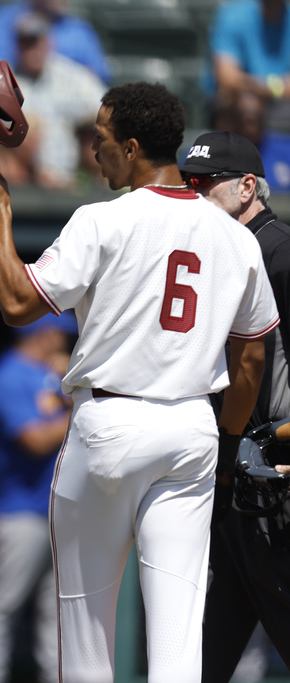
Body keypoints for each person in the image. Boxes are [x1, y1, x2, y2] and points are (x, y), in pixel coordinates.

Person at [0, 81, 279, 681]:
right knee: (179, 638)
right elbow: (251, 359)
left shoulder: (101, 220)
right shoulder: (235, 235)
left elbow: (15, 302)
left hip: (110, 422)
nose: (95, 151)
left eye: (103, 140)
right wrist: (227, 440)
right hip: (192, 425)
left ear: (133, 147)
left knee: (86, 632)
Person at [180, 130, 290, 681]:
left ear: (248, 186)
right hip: (226, 470)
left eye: (205, 184)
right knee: (202, 646)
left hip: (272, 475)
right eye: (187, 184)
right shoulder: (216, 251)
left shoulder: (280, 250)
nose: (195, 193)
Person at [0, 312, 76, 683]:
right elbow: (34, 441)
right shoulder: (9, 374)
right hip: (19, 513)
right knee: (5, 607)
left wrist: (70, 385)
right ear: (45, 334)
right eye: (61, 335)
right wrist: (81, 410)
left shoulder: (55, 375)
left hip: (59, 513)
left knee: (57, 613)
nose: (64, 342)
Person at [5, 11, 106, 191]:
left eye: (36, 41)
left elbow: (107, 109)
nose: (31, 49)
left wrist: (86, 123)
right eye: (25, 42)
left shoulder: (70, 76)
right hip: (22, 181)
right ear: (16, 45)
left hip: (69, 179)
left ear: (48, 42)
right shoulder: (2, 80)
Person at [0, 0, 110, 84]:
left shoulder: (80, 29)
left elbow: (99, 75)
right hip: (20, 98)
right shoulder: (0, 21)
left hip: (69, 104)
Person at [204, 0, 290, 131]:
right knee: (246, 107)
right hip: (238, 100)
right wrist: (275, 87)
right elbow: (227, 79)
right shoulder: (233, 15)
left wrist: (255, 85)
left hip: (281, 106)